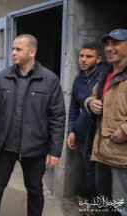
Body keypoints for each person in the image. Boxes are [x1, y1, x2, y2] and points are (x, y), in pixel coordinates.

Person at [0, 34, 66, 216]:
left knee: (35, 189)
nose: (13, 52)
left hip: (35, 148)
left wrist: (55, 150)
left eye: (18, 49)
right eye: (13, 48)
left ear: (32, 52)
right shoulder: (2, 78)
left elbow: (57, 117)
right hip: (5, 145)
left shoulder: (49, 80)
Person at [85, 28, 127, 215]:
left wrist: (125, 130)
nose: (109, 48)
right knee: (104, 199)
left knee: (120, 205)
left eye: (115, 43)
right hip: (101, 150)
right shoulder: (106, 73)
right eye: (107, 44)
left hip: (121, 156)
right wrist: (90, 102)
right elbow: (92, 96)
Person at [67, 43, 106, 211]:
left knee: (101, 174)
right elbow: (74, 108)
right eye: (81, 56)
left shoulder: (106, 75)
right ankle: (90, 203)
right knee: (89, 170)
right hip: (83, 134)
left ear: (98, 59)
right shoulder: (78, 80)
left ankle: (83, 194)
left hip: (104, 135)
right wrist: (72, 130)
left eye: (88, 56)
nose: (83, 59)